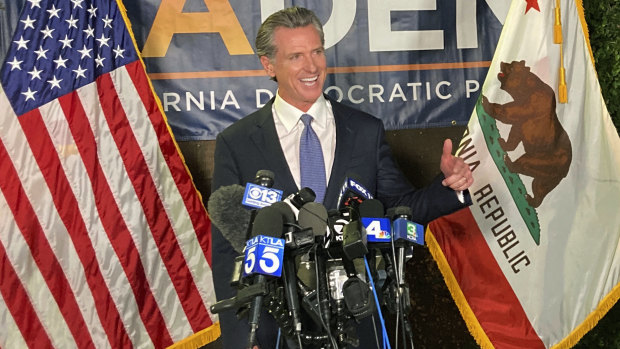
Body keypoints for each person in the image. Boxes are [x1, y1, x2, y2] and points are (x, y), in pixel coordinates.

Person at [210, 6, 473, 348]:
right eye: (296, 56)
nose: (311, 67)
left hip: (357, 319)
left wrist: (447, 188)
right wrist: (242, 338)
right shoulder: (237, 142)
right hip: (278, 331)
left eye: (317, 51)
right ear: (268, 65)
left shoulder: (365, 131)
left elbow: (397, 209)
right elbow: (228, 250)